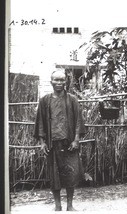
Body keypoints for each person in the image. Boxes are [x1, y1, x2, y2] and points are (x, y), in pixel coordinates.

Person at [34, 70, 86, 211]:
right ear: (51, 82)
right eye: (56, 80)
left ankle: (70, 205)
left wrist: (76, 140)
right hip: (52, 143)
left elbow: (78, 121)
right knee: (54, 175)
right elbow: (40, 123)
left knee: (71, 173)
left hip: (69, 143)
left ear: (66, 82)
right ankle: (57, 205)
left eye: (62, 80)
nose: (59, 83)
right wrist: (42, 142)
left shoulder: (72, 100)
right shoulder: (45, 101)